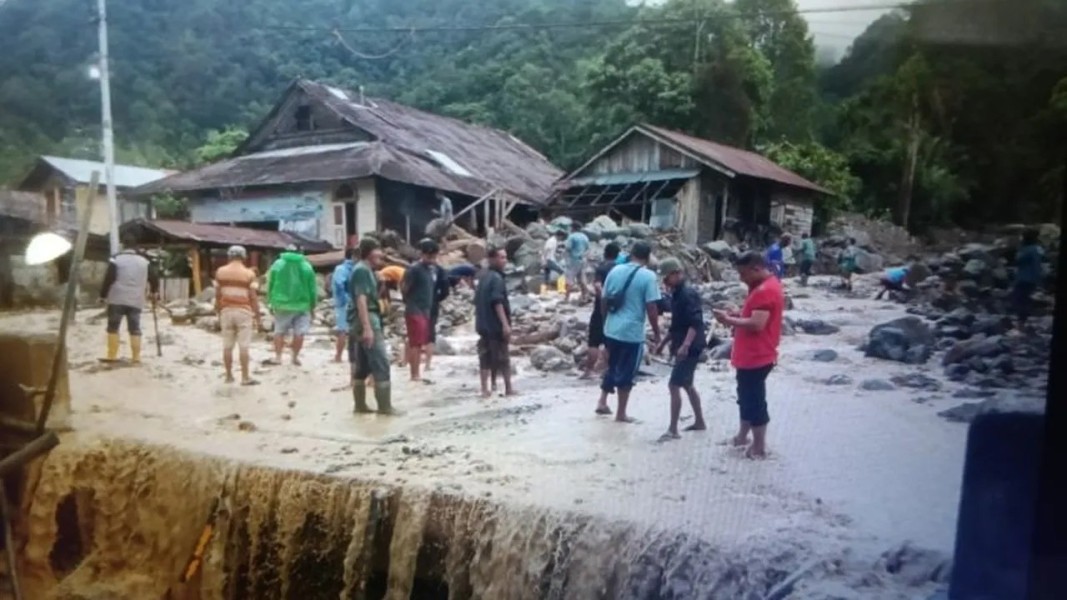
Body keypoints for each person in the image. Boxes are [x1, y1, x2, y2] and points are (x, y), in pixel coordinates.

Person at [712, 252, 785, 460]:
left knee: (754, 400)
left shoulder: (765, 291)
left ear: (755, 268)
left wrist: (728, 320)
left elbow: (757, 324)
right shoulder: (765, 286)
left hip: (757, 355)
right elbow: (753, 317)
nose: (741, 278)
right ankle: (743, 436)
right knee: (745, 397)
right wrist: (737, 315)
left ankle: (759, 447)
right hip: (751, 355)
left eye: (743, 274)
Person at [596, 241, 661, 422]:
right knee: (627, 372)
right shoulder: (648, 276)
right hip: (631, 333)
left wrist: (605, 323)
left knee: (612, 365)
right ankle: (621, 413)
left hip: (611, 329)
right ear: (647, 257)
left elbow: (603, 299)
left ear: (631, 254)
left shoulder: (615, 270)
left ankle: (602, 401)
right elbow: (651, 307)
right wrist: (657, 332)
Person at [654, 258, 707, 441]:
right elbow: (676, 325)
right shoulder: (677, 294)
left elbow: (695, 322)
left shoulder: (687, 294)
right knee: (686, 383)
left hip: (690, 345)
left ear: (677, 274)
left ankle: (673, 429)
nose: (665, 282)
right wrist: (663, 343)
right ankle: (699, 421)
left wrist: (685, 345)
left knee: (674, 384)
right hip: (685, 342)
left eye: (667, 277)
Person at [348, 238, 397, 415]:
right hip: (368, 319)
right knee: (381, 362)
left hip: (361, 320)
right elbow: (361, 300)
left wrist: (380, 283)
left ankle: (360, 406)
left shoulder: (366, 270)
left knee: (362, 365)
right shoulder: (361, 270)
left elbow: (370, 296)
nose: (381, 254)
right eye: (378, 250)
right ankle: (385, 407)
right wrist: (368, 327)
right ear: (369, 252)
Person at [100, 234, 159, 363]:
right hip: (136, 299)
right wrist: (154, 292)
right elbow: (154, 278)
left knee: (113, 327)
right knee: (134, 328)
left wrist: (102, 295)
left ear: (123, 245)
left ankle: (112, 355)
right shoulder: (145, 261)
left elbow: (109, 278)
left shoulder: (116, 259)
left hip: (117, 298)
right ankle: (136, 357)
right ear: (135, 246)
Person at [213, 245, 260, 385]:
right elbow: (253, 297)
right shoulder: (249, 274)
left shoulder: (220, 272)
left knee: (227, 346)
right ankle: (245, 377)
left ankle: (228, 376)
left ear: (229, 256)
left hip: (226, 311)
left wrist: (218, 308)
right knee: (244, 346)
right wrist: (257, 316)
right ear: (244, 257)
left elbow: (217, 293)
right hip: (244, 311)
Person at [266, 245, 317, 366]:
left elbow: (270, 284)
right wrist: (313, 306)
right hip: (302, 305)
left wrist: (270, 301)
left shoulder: (277, 264)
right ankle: (294, 357)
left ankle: (278, 357)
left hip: (281, 304)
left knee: (279, 331)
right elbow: (312, 289)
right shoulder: (306, 266)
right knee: (299, 333)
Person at [475, 247, 515, 398]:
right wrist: (505, 324)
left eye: (505, 257)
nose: (504, 260)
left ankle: (485, 389)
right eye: (501, 257)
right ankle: (509, 389)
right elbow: (497, 302)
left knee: (485, 356)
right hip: (495, 325)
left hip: (483, 324)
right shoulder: (497, 279)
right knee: (503, 357)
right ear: (492, 259)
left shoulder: (483, 277)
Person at [581, 242, 620, 380]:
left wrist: (602, 298)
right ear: (618, 254)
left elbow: (597, 286)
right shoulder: (619, 269)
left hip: (599, 309)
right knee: (610, 341)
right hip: (615, 310)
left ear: (605, 253)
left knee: (594, 341)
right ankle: (608, 370)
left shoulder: (602, 268)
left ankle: (589, 371)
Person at [401, 239, 438, 382]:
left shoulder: (430, 269)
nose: (432, 259)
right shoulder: (414, 269)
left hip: (425, 310)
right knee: (415, 343)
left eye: (434, 257)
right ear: (422, 254)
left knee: (420, 342)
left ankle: (416, 373)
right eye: (429, 257)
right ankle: (414, 374)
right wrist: (410, 301)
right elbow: (404, 287)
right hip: (415, 309)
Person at [1011, 228, 1044, 329]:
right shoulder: (1036, 248)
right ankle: (1024, 321)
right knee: (1024, 299)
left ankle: (1021, 322)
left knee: (1019, 299)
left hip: (1024, 278)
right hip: (1031, 278)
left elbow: (1018, 260)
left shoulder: (1027, 249)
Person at [331, 248, 357, 363]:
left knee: (342, 330)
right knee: (354, 331)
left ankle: (338, 356)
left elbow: (339, 285)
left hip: (343, 303)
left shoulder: (340, 269)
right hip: (356, 302)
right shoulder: (359, 268)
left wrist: (342, 300)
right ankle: (354, 356)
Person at [564, 221, 590, 302]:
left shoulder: (572, 237)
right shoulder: (585, 237)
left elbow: (568, 248)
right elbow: (587, 248)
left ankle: (566, 298)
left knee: (570, 279)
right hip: (583, 259)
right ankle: (585, 296)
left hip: (573, 260)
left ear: (573, 228)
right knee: (582, 279)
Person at [541, 229, 565, 295]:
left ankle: (543, 292)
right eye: (562, 237)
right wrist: (545, 261)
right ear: (559, 236)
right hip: (549, 260)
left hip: (547, 259)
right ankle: (561, 289)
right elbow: (546, 250)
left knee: (546, 276)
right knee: (562, 272)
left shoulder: (552, 240)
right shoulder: (552, 241)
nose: (561, 239)